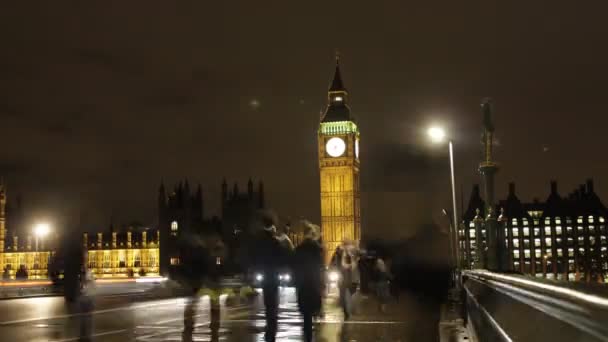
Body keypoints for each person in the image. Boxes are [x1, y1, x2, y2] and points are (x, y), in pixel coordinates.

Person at [253, 210, 290, 342]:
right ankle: (271, 332)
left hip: (264, 275)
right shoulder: (274, 241)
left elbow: (253, 258)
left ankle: (269, 331)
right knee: (273, 306)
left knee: (268, 305)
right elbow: (284, 257)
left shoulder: (258, 240)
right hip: (273, 276)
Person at [293, 222, 324, 342]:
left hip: (302, 284)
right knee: (312, 311)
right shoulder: (317, 249)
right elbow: (320, 267)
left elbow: (294, 266)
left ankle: (308, 337)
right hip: (314, 283)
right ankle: (311, 333)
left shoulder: (298, 249)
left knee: (306, 314)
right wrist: (322, 284)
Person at [337, 240, 359, 319]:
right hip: (343, 278)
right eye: (345, 245)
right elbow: (336, 264)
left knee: (351, 294)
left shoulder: (353, 253)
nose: (346, 247)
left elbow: (354, 265)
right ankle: (346, 311)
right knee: (343, 296)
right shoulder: (339, 253)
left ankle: (350, 310)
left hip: (351, 278)